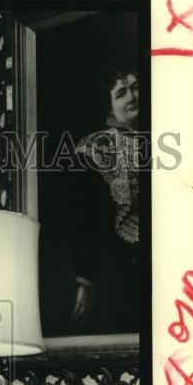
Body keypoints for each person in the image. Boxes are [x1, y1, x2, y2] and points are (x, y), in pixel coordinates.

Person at [69, 59, 140, 333]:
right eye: (121, 93)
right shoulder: (97, 146)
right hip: (115, 273)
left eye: (135, 88)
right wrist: (86, 281)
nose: (132, 97)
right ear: (108, 105)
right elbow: (81, 221)